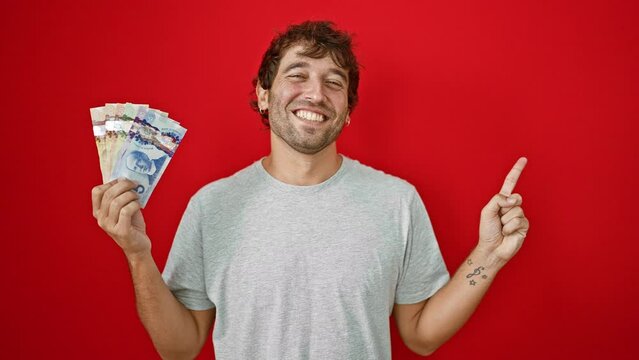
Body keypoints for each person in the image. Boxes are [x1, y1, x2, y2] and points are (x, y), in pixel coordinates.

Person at [91, 21, 530, 359]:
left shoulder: (397, 201)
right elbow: (180, 348)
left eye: (334, 82)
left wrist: (488, 256)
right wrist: (137, 254)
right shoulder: (211, 206)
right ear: (264, 95)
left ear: (347, 111)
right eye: (297, 75)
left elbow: (421, 335)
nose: (316, 93)